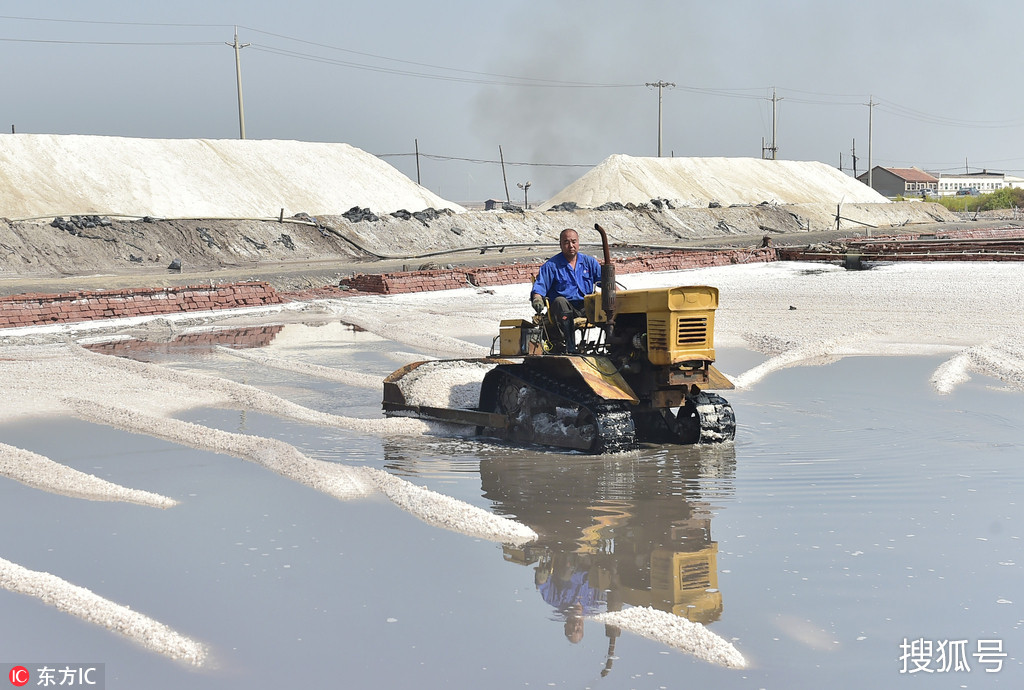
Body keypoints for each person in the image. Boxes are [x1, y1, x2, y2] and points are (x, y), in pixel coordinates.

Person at [530, 228, 602, 353]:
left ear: (578, 242)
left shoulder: (589, 262)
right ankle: (570, 347)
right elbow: (540, 286)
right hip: (562, 309)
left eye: (574, 242)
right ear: (561, 245)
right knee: (560, 301)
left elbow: (606, 282)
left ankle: (617, 347)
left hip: (586, 306)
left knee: (607, 303)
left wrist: (619, 295)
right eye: (566, 242)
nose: (571, 246)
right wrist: (537, 298)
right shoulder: (551, 266)